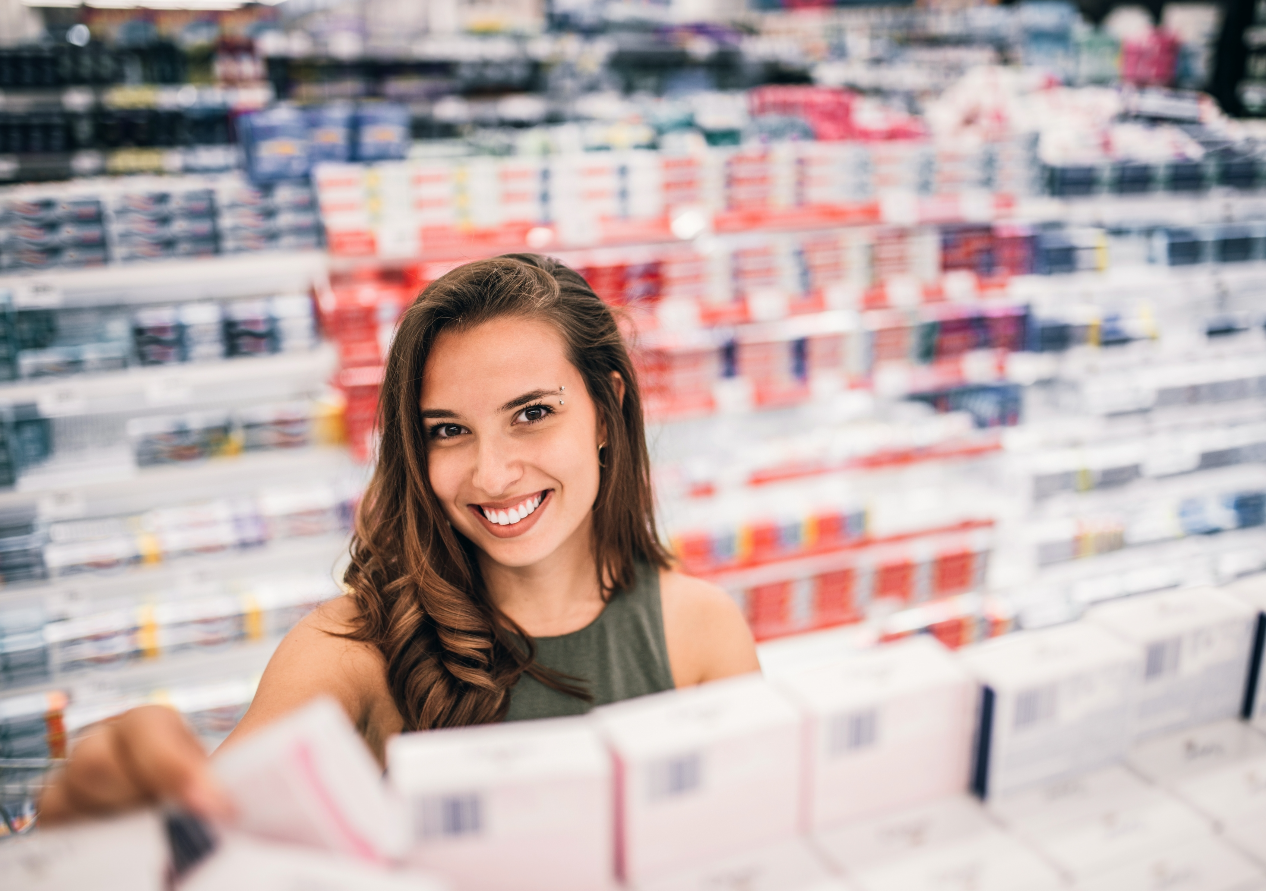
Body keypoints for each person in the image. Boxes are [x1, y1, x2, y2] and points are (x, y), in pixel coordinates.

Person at [39, 253, 759, 825]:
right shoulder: (348, 654)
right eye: (447, 430)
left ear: (608, 411)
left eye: (532, 412)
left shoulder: (700, 630)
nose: (494, 472)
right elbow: (188, 842)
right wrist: (117, 819)